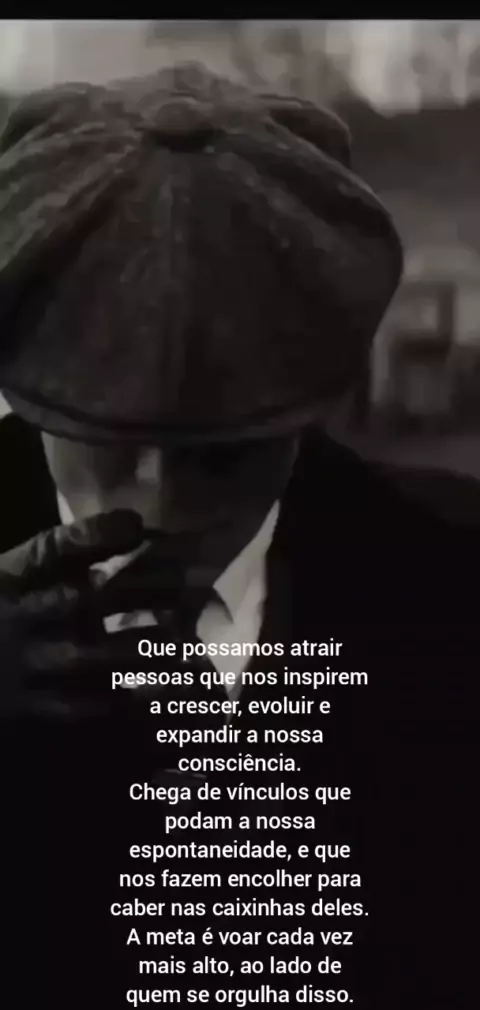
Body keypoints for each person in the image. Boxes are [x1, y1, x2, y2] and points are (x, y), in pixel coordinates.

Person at [0, 63, 477, 1009]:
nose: (161, 497)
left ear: (309, 399)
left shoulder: (453, 573)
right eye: (111, 436)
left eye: (221, 452)